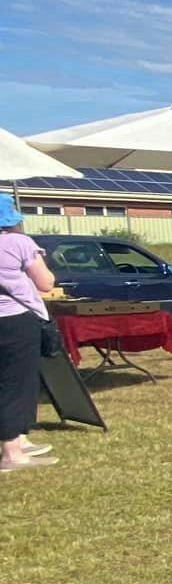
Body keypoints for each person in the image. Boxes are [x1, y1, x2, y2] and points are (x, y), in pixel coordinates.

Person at [0, 197, 58, 471]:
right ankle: (12, 453)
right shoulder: (18, 243)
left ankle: (18, 440)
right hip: (15, 320)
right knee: (16, 383)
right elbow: (46, 282)